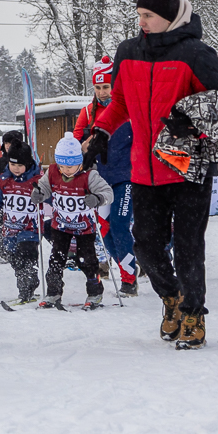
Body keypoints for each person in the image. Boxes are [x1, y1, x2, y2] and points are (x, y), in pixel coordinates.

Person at [84, 0, 218, 349]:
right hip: (144, 169)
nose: (142, 22)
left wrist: (190, 121)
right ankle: (172, 299)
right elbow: (117, 101)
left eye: (148, 15)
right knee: (146, 246)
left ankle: (195, 314)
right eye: (139, 15)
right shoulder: (129, 51)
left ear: (169, 17)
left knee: (187, 247)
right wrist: (100, 132)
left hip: (187, 166)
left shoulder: (197, 55)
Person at [74, 56, 137, 295]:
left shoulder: (128, 107)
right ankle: (127, 267)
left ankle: (129, 280)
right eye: (98, 87)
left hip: (126, 178)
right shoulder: (88, 112)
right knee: (106, 231)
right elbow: (76, 143)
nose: (102, 92)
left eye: (106, 87)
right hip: (100, 180)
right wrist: (85, 144)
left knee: (120, 226)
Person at [34, 133, 113, 309]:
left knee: (87, 261)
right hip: (61, 226)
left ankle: (94, 293)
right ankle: (53, 292)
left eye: (71, 166)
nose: (67, 170)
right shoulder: (53, 171)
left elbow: (108, 193)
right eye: (63, 165)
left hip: (84, 228)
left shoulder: (89, 175)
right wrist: (39, 193)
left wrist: (97, 198)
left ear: (80, 161)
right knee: (56, 259)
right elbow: (44, 187)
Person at [0, 139, 43, 304]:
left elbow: (49, 196)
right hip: (9, 229)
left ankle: (26, 288)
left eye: (20, 165)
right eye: (13, 164)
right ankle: (27, 283)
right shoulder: (4, 179)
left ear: (28, 164)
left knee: (26, 256)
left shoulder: (37, 180)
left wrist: (42, 196)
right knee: (13, 258)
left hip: (29, 229)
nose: (16, 169)